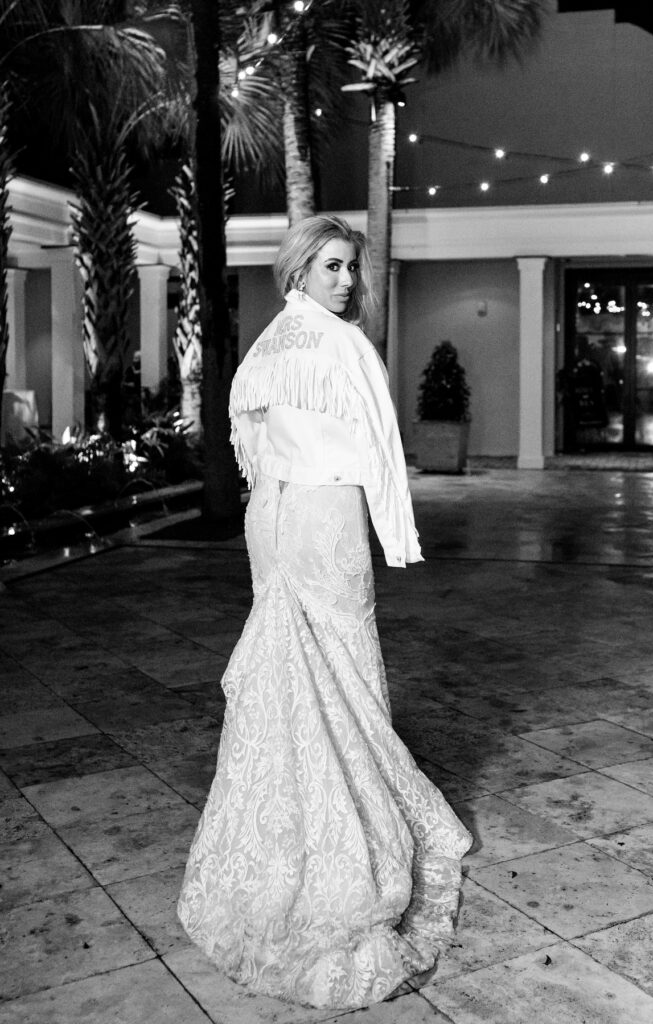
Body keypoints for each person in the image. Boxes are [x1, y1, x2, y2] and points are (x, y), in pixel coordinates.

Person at [177, 215, 472, 1010]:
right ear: (300, 269)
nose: (347, 282)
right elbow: (380, 447)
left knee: (287, 664)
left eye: (351, 269)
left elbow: (246, 442)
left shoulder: (264, 350)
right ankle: (354, 835)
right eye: (333, 267)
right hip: (325, 516)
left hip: (270, 517)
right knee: (344, 662)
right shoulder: (344, 348)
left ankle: (276, 833)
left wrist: (273, 494)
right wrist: (396, 535)